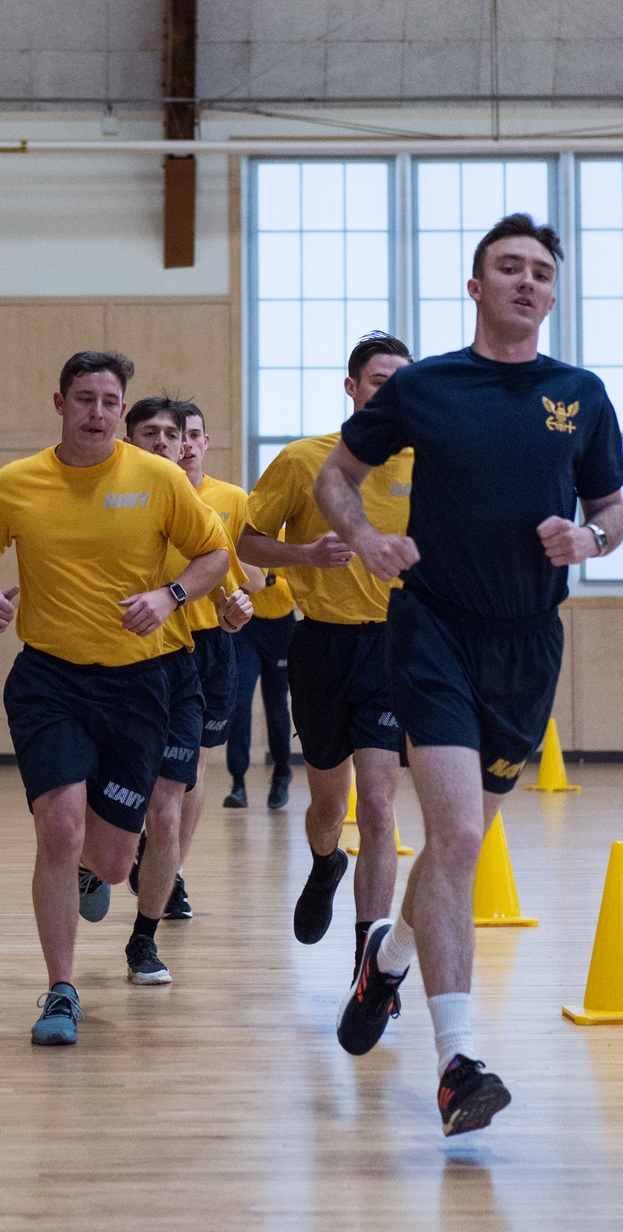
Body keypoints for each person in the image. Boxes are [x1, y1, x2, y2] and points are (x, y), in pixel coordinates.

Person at [314, 214, 623, 1136]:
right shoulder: (425, 386)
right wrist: (367, 538)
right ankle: (457, 1065)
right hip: (433, 629)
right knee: (453, 839)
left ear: (553, 293)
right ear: (476, 285)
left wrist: (594, 538)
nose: (527, 282)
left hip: (528, 645)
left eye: (541, 271)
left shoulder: (581, 394)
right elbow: (338, 474)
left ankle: (387, 961)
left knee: (461, 848)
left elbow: (612, 507)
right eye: (508, 268)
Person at [0, 353, 230, 1045]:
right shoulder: (14, 484)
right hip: (50, 680)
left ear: (121, 408)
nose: (97, 413)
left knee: (108, 860)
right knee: (61, 828)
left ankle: (94, 879)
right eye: (85, 399)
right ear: (60, 403)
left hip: (140, 685)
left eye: (110, 401)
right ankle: (61, 990)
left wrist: (169, 597)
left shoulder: (159, 478)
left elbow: (214, 556)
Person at [238, 333, 414, 986]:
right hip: (319, 646)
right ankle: (323, 863)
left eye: (400, 381)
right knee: (326, 803)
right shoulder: (305, 460)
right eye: (376, 380)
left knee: (377, 802)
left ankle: (369, 965)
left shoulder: (433, 465)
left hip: (393, 649)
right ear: (352, 388)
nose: (388, 391)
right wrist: (306, 555)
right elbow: (249, 544)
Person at [121, 396, 252, 986]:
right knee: (125, 786)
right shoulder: (122, 497)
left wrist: (234, 610)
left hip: (199, 652)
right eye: (158, 433)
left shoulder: (221, 504)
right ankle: (114, 860)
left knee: (185, 778)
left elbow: (234, 582)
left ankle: (164, 882)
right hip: (126, 652)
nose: (178, 443)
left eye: (185, 434)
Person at [223, 560, 296, 810]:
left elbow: (299, 584)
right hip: (248, 628)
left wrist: (271, 578)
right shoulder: (247, 536)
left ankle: (281, 771)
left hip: (281, 629)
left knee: (276, 705)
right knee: (240, 703)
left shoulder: (286, 536)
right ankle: (238, 781)